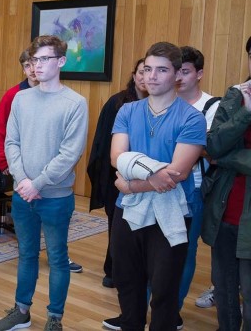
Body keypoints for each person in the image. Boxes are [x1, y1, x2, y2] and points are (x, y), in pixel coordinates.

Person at [0, 35, 89, 331]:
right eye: (34, 60)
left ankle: (55, 317)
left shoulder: (75, 103)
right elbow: (12, 142)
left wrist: (39, 183)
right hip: (23, 193)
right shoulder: (21, 99)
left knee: (58, 258)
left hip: (56, 197)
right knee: (26, 254)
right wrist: (23, 181)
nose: (37, 66)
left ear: (61, 61)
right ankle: (21, 311)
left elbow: (70, 153)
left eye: (44, 59)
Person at [109, 42, 205, 331]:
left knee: (164, 290)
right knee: (127, 281)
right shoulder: (127, 111)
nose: (151, 76)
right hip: (127, 212)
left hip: (171, 213)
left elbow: (175, 173)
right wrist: (149, 177)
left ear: (176, 75)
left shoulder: (191, 118)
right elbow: (117, 157)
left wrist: (131, 184)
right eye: (148, 69)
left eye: (161, 70)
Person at [201, 36, 251, 330]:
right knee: (225, 290)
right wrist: (246, 112)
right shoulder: (236, 96)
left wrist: (229, 159)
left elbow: (222, 156)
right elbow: (213, 146)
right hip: (224, 210)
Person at [88, 58, 147, 291]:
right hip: (118, 175)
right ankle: (113, 269)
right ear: (134, 76)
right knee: (118, 226)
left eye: (151, 71)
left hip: (148, 177)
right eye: (141, 72)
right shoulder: (118, 103)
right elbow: (104, 144)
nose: (145, 77)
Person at [175, 46, 220, 320]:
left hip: (193, 187)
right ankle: (148, 304)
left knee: (185, 250)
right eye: (176, 70)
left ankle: (173, 310)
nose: (179, 77)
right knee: (155, 248)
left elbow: (209, 148)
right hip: (159, 182)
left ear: (199, 73)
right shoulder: (164, 100)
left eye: (186, 71)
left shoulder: (212, 106)